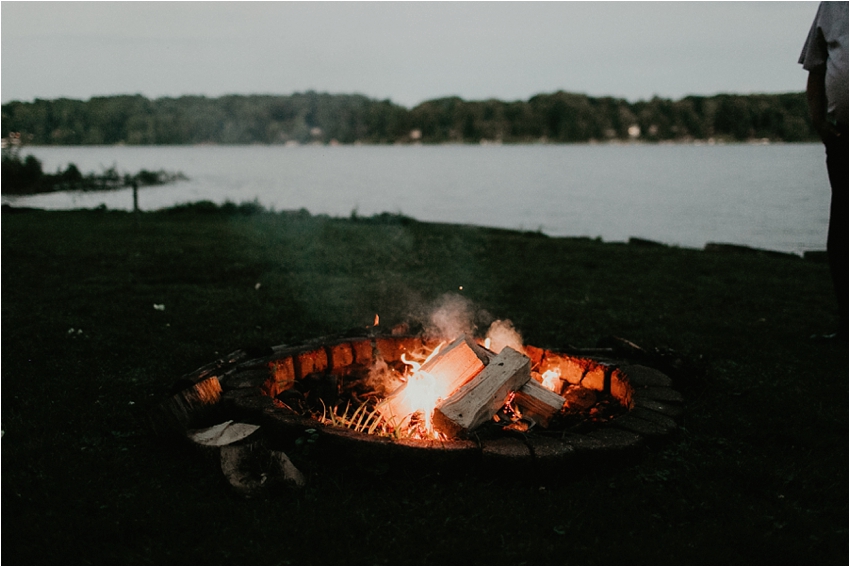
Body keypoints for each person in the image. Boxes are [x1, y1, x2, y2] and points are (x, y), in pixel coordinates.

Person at [799, 1, 848, 338]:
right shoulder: (833, 5)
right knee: (843, 231)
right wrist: (819, 122)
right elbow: (816, 66)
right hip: (843, 138)